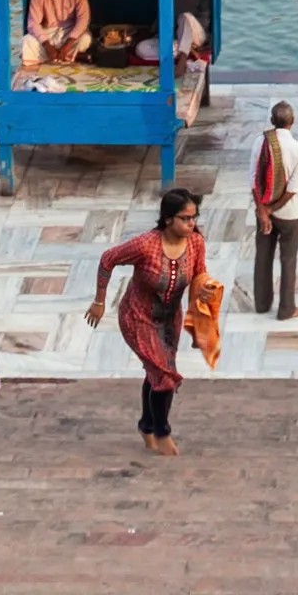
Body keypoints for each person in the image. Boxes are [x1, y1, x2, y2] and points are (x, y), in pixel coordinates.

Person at [85, 187, 212, 456]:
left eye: (194, 217)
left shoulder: (196, 243)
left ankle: (147, 425)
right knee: (164, 377)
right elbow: (108, 259)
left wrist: (203, 294)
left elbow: (200, 274)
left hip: (169, 319)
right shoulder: (145, 246)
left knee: (157, 372)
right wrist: (99, 301)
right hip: (138, 317)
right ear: (168, 219)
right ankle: (162, 430)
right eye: (185, 218)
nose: (192, 223)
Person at [247, 101, 298, 317]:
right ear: (293, 121)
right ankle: (286, 309)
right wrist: (272, 209)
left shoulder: (260, 143)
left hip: (263, 210)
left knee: (263, 256)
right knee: (288, 260)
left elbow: (254, 180)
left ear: (272, 121)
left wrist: (263, 211)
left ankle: (262, 304)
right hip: (289, 214)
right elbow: (293, 189)